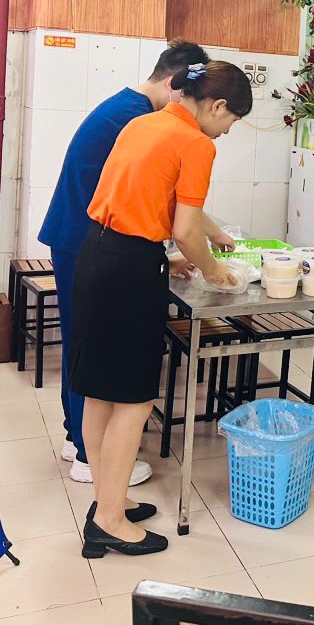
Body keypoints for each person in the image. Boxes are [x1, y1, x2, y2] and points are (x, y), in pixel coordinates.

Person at [70, 61, 251, 558]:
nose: (227, 131)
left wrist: (174, 253)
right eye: (231, 121)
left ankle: (108, 501)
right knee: (133, 401)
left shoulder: (143, 124)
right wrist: (215, 271)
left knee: (100, 395)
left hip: (98, 256)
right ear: (216, 106)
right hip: (128, 273)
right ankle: (109, 522)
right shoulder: (197, 143)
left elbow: (147, 201)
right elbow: (185, 230)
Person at [37, 39, 233, 486]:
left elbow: (152, 195)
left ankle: (76, 437)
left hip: (87, 239)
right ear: (176, 84)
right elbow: (165, 205)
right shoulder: (141, 119)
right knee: (95, 355)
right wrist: (206, 258)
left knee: (83, 346)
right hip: (89, 239)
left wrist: (193, 240)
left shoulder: (129, 110)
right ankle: (88, 456)